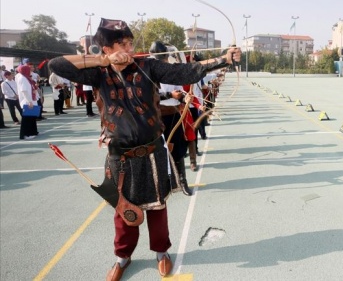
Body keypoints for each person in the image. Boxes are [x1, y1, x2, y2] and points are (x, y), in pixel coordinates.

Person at [48, 18, 240, 281]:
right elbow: (55, 65)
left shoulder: (147, 65)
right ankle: (122, 257)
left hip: (152, 152)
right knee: (123, 209)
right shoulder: (96, 73)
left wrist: (224, 59)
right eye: (120, 44)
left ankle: (162, 252)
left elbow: (185, 72)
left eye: (129, 43)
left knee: (158, 206)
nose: (128, 48)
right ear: (106, 48)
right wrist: (101, 62)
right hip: (120, 156)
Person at [149, 40, 193, 195]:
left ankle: (182, 182)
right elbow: (148, 96)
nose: (163, 62)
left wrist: (183, 98)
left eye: (164, 59)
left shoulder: (170, 72)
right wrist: (169, 95)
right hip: (155, 118)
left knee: (178, 150)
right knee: (157, 152)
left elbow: (179, 91)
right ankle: (162, 184)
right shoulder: (146, 73)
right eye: (159, 59)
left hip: (172, 116)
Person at [15, 65, 39, 140]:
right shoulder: (22, 78)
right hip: (27, 101)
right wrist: (29, 101)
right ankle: (26, 134)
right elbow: (24, 91)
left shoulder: (27, 78)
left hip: (31, 99)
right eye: (28, 70)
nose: (30, 71)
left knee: (32, 118)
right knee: (27, 119)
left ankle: (33, 131)